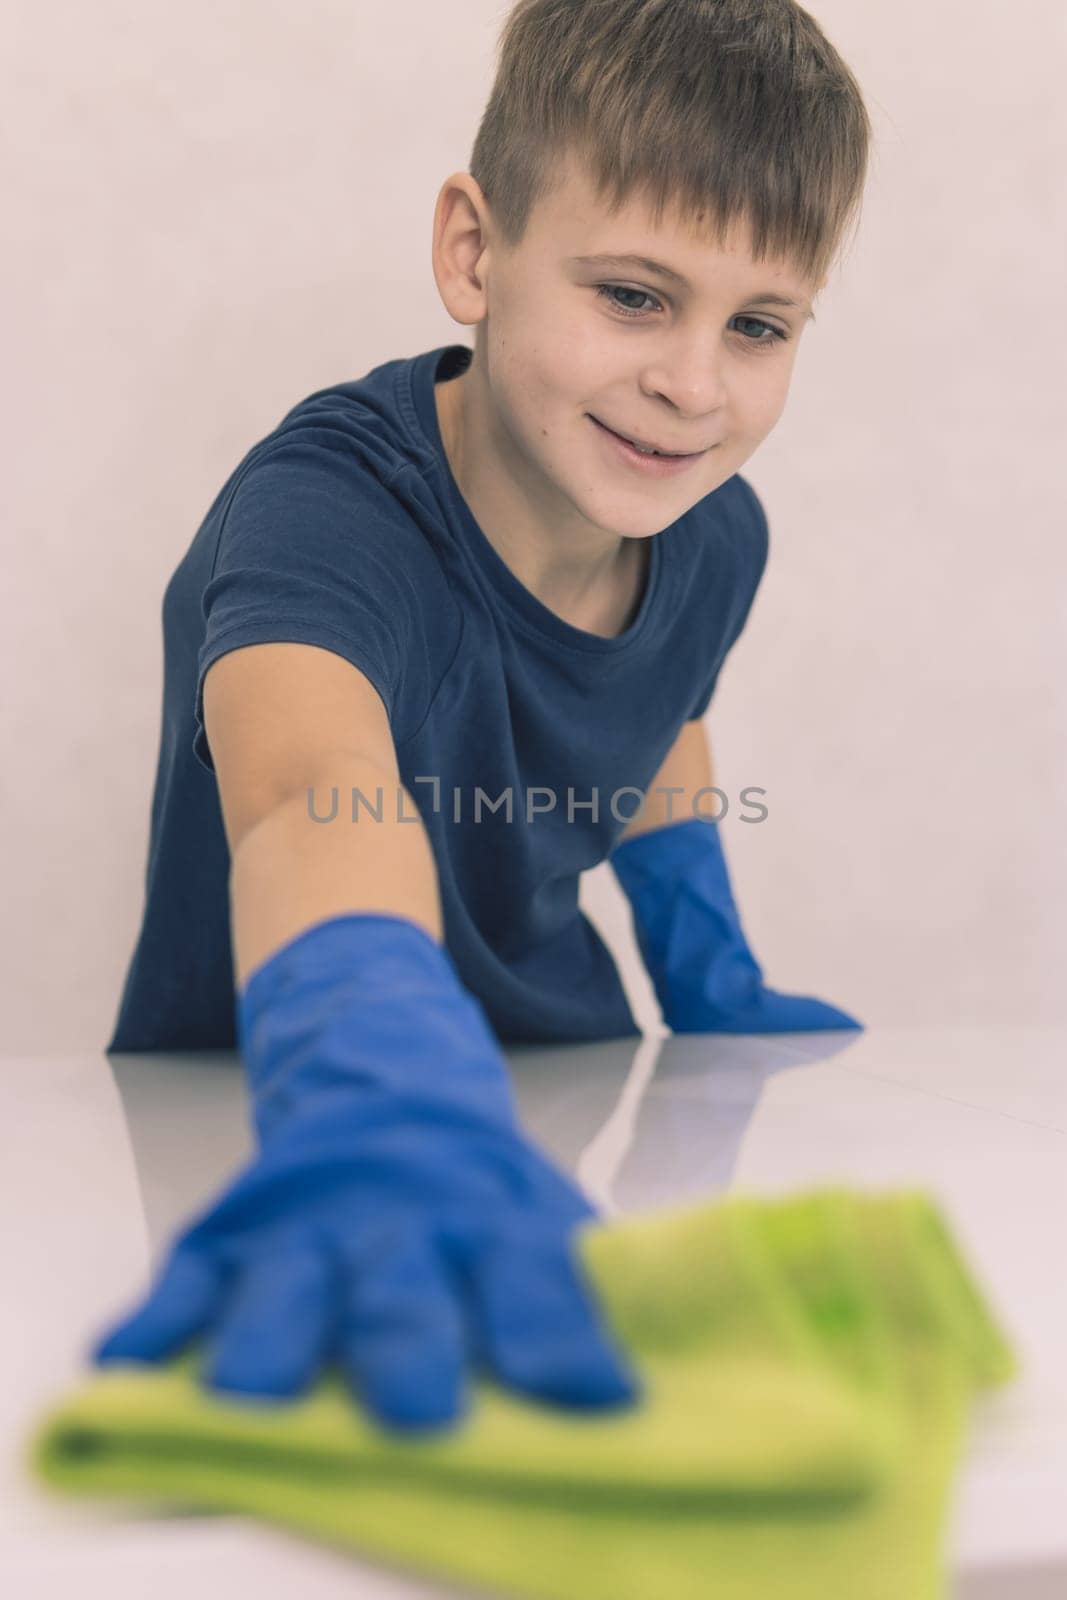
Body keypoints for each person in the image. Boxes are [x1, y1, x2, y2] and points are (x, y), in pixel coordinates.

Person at [94, 0, 871, 1434]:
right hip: (292, 1126)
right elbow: (304, 791)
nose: (693, 385)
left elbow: (654, 708)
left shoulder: (716, 532)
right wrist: (380, 1091)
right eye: (634, 295)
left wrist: (704, 958)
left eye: (757, 323)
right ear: (475, 249)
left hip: (564, 1095)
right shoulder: (328, 510)